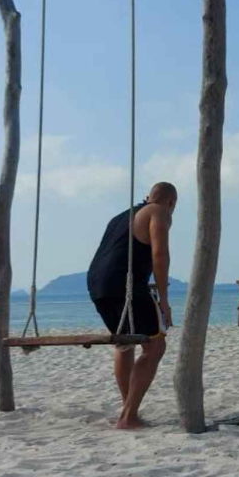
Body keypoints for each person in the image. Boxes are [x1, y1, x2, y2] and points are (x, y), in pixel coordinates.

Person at [86, 182, 177, 430]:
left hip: (97, 285)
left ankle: (128, 409)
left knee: (125, 343)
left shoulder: (121, 216)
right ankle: (128, 417)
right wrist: (165, 301)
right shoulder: (159, 212)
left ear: (148, 196)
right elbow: (160, 254)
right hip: (123, 284)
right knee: (155, 345)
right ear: (171, 203)